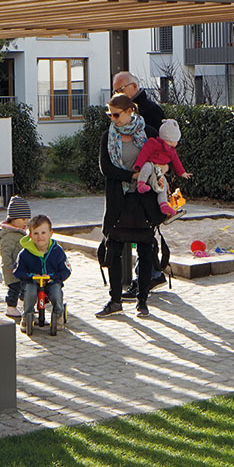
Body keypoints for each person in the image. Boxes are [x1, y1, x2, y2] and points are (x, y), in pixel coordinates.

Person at [97, 93, 160, 319]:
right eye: (110, 114)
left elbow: (161, 160)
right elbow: (106, 169)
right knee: (113, 249)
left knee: (145, 250)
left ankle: (142, 301)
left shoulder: (148, 133)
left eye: (116, 114)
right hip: (119, 199)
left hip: (144, 200)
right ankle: (115, 300)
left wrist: (156, 176)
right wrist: (132, 176)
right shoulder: (108, 136)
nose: (113, 119)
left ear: (129, 111)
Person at [11, 215, 72, 335]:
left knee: (56, 292)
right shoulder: (25, 253)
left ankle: (58, 314)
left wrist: (53, 276)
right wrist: (30, 276)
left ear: (50, 233)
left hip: (51, 281)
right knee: (29, 292)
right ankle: (27, 315)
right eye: (36, 233)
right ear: (30, 235)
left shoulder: (57, 251)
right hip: (32, 281)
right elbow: (17, 270)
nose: (40, 237)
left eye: (43, 232)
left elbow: (66, 270)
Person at [132, 118, 191, 212]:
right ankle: (141, 183)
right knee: (147, 166)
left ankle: (163, 204)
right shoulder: (153, 143)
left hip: (159, 171)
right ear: (171, 140)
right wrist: (138, 165)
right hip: (151, 164)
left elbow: (176, 162)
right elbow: (144, 153)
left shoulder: (172, 151)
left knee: (163, 185)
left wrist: (182, 172)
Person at [0, 194, 33, 317]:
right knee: (14, 289)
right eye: (22, 220)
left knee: (24, 286)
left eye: (27, 220)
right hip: (12, 269)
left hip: (21, 268)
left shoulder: (20, 232)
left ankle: (22, 303)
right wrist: (8, 268)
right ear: (13, 219)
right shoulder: (9, 235)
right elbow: (6, 253)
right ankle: (11, 307)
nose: (25, 223)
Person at [111, 71, 166, 140]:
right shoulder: (116, 112)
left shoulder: (152, 110)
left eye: (120, 90)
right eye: (115, 92)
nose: (118, 94)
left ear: (134, 86)